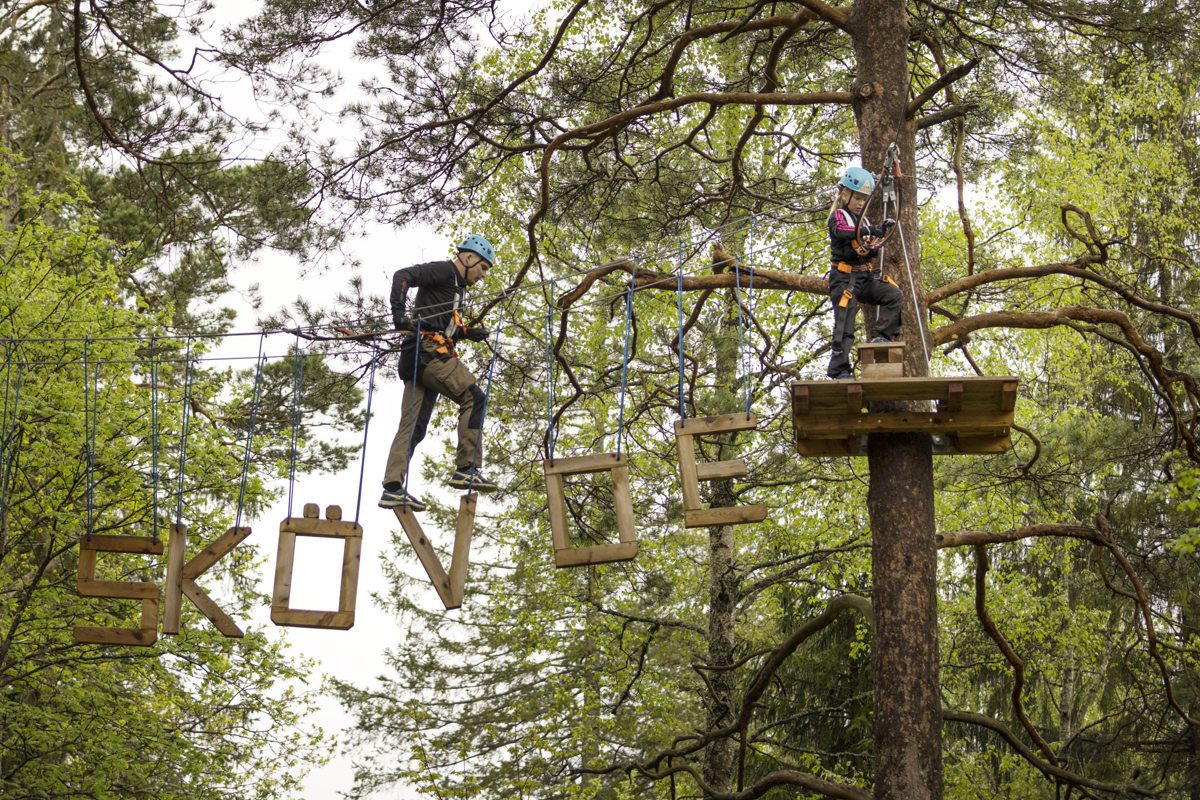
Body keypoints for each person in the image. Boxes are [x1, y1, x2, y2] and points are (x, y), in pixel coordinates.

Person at [379, 235, 499, 512]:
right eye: (483, 267)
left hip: (416, 357)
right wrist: (399, 313)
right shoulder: (444, 271)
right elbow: (403, 276)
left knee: (413, 427)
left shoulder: (457, 288)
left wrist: (467, 333)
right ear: (468, 258)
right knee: (475, 397)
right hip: (429, 352)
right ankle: (467, 467)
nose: (483, 275)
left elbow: (438, 321)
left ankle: (392, 488)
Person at [825, 166, 902, 379]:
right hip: (844, 279)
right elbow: (842, 232)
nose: (860, 203)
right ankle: (839, 370)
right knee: (845, 323)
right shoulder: (838, 216)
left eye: (864, 199)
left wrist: (875, 242)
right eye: (857, 198)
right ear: (845, 194)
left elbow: (867, 248)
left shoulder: (865, 221)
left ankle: (883, 337)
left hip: (864, 277)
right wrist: (871, 231)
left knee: (893, 294)